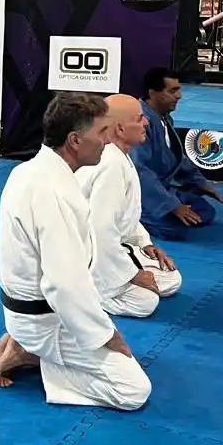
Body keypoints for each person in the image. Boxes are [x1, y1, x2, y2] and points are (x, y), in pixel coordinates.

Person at [0, 92, 150, 411]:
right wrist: (105, 334)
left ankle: (21, 342)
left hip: (28, 309)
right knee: (133, 390)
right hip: (43, 319)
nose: (107, 141)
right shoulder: (53, 191)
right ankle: (31, 353)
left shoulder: (30, 171)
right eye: (101, 132)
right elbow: (63, 284)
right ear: (75, 140)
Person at [75, 95, 181, 318]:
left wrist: (144, 243)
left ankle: (110, 279)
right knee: (145, 303)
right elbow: (100, 229)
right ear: (120, 129)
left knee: (171, 279)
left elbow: (124, 216)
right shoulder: (110, 163)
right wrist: (132, 275)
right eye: (139, 118)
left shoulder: (117, 155)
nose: (146, 123)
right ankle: (87, 294)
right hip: (85, 253)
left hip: (109, 246)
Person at [132, 67, 223, 242]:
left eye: (179, 89)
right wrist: (171, 205)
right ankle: (137, 217)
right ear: (153, 93)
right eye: (173, 91)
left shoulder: (163, 117)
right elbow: (140, 171)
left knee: (206, 212)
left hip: (163, 187)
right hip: (142, 192)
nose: (179, 96)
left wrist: (200, 182)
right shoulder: (141, 122)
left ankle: (168, 206)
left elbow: (175, 157)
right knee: (174, 231)